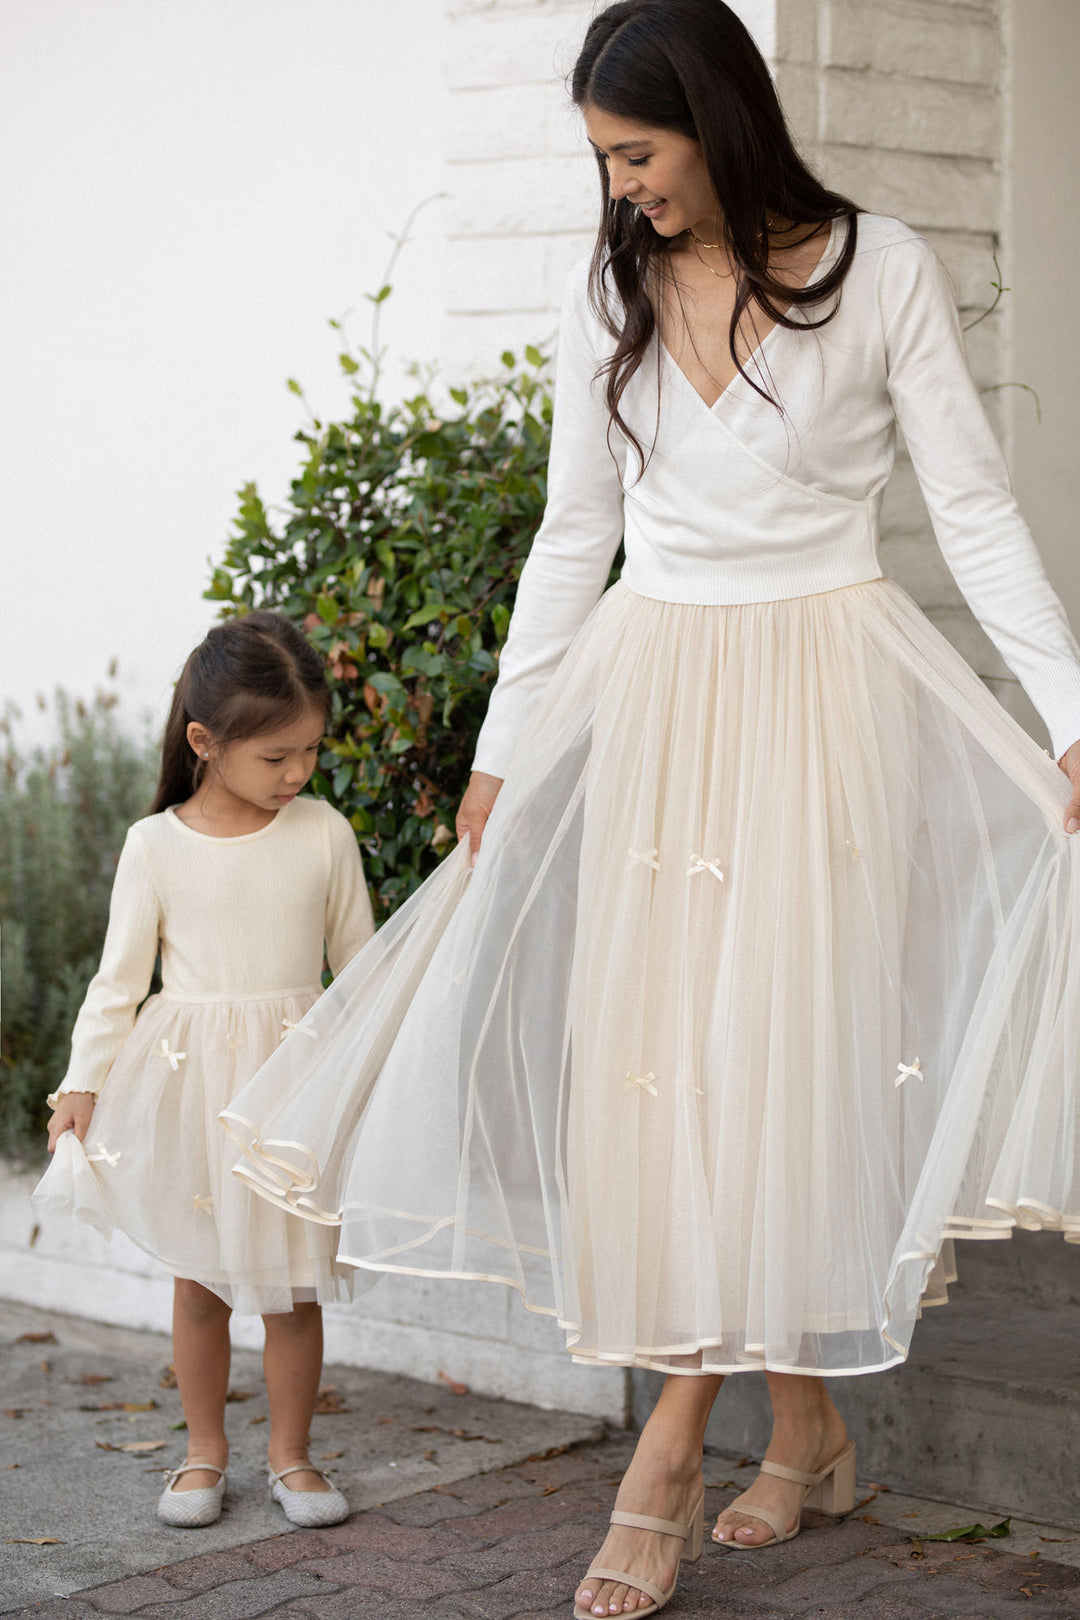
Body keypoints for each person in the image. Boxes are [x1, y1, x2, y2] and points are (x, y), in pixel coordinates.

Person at [222, 1, 1080, 1613]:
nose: (621, 189)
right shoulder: (602, 284)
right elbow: (571, 537)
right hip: (654, 703)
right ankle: (807, 1433)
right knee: (665, 1082)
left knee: (779, 1062)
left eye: (638, 153)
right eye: (604, 161)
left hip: (827, 699)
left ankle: (666, 1456)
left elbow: (969, 507)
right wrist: (501, 749)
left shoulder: (876, 268)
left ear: (719, 120)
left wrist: (1074, 708)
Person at [33, 612, 373, 1530]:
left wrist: (365, 1079)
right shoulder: (157, 847)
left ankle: (292, 1459)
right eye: (276, 757)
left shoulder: (323, 833)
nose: (297, 773)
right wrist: (79, 1085)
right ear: (204, 742)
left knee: (294, 1286)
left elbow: (363, 969)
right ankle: (202, 1455)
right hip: (192, 1093)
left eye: (309, 751)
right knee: (203, 1285)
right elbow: (117, 983)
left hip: (292, 1087)